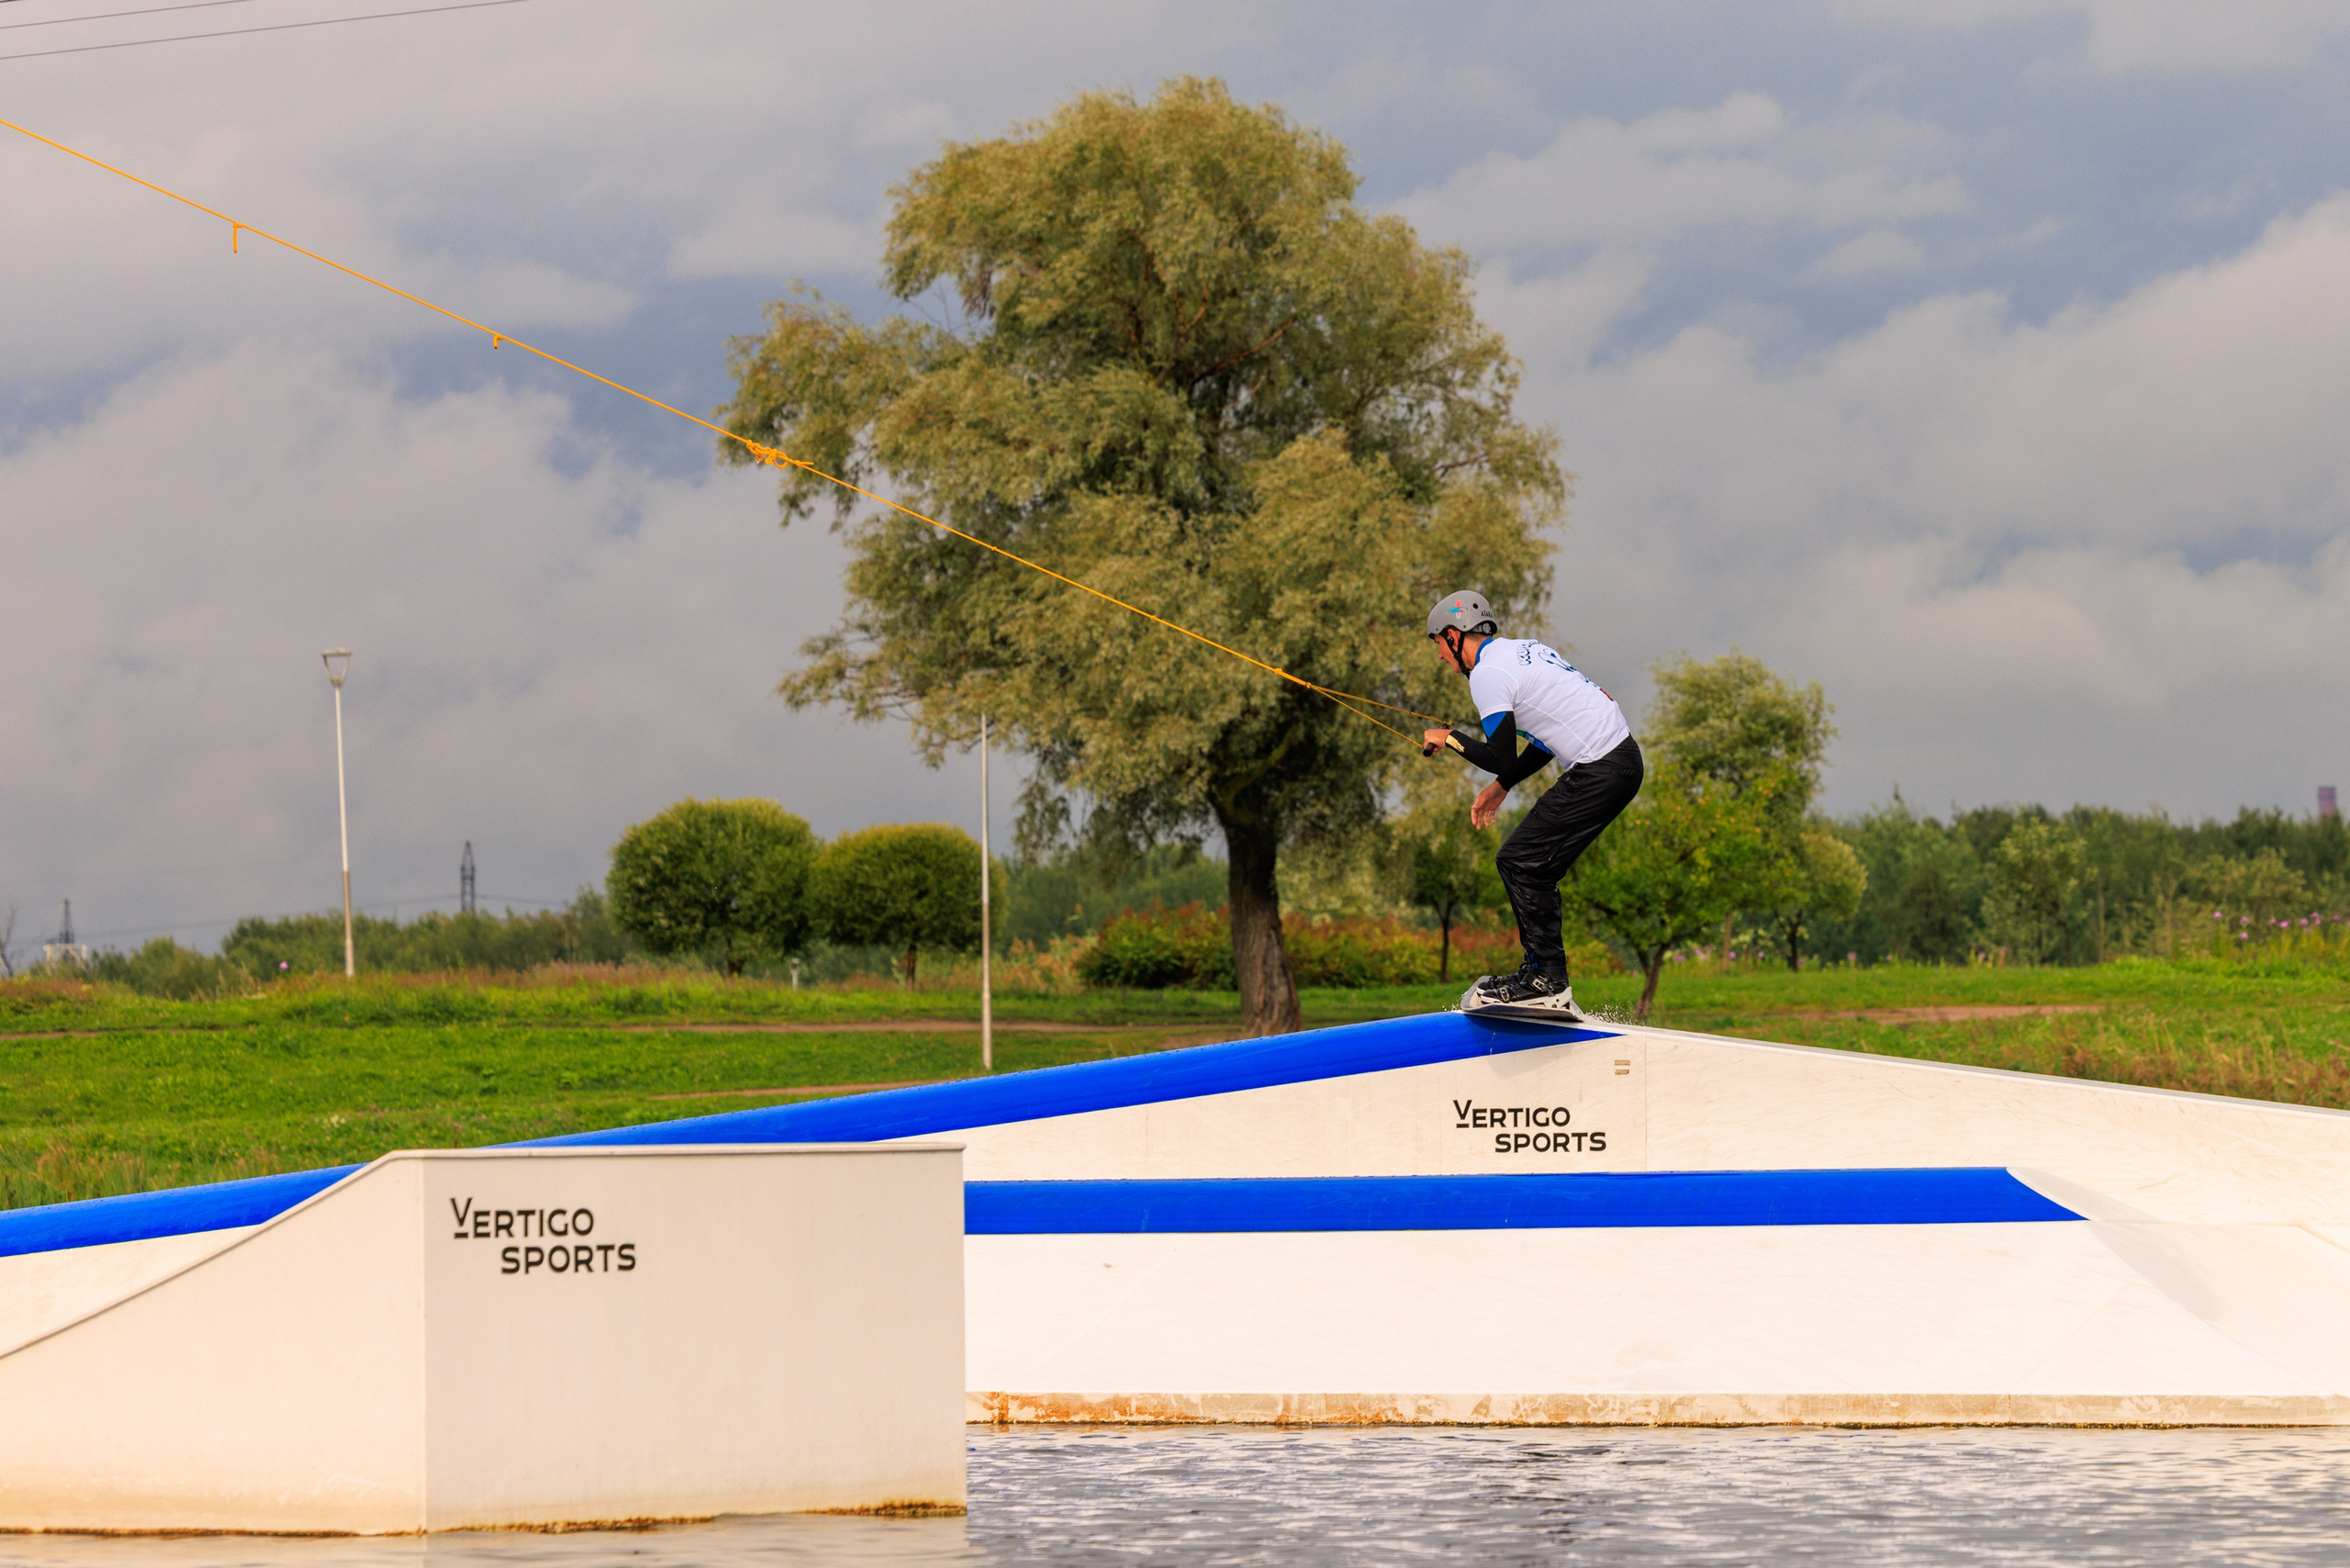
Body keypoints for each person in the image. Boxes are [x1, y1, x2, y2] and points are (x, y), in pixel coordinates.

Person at [1422, 590, 1644, 1019]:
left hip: (1600, 768)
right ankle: (1542, 975)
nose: (1440, 656)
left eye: (1438, 644)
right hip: (1619, 761)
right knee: (1531, 863)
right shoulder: (1523, 650)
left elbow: (1499, 755)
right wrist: (1503, 785)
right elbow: (1543, 741)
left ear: (1453, 634)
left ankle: (1545, 981)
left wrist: (1447, 738)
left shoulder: (1487, 674)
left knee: (1520, 862)